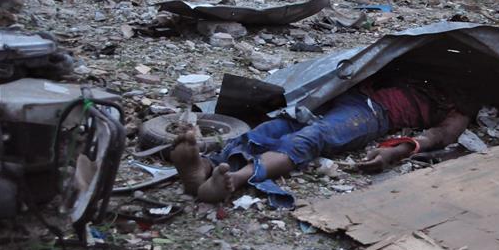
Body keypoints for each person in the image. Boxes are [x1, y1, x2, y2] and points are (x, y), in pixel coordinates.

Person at [170, 78, 478, 208]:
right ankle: (205, 168)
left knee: (311, 137)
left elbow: (436, 137)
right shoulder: (425, 63)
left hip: (371, 114)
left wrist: (393, 152)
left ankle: (237, 178)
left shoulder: (460, 108)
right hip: (341, 92)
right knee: (276, 125)